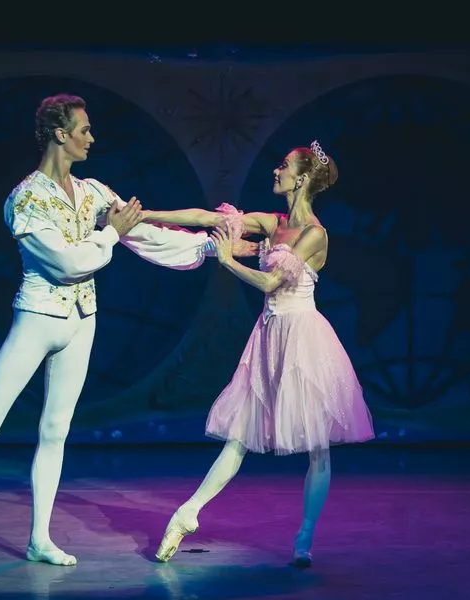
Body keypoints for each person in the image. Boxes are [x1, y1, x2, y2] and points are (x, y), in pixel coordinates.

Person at [0, 94, 259, 569]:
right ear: (60, 134)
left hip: (81, 321)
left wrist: (213, 249)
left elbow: (146, 234)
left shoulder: (92, 192)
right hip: (37, 319)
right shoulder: (26, 199)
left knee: (55, 431)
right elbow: (68, 264)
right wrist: (110, 233)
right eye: (84, 129)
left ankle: (39, 538)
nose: (92, 137)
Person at [142, 141, 375, 568]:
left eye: (283, 166)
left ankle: (304, 538)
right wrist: (145, 215)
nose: (275, 171)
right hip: (268, 336)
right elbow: (207, 218)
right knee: (239, 437)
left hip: (304, 339)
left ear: (301, 178)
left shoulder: (314, 234)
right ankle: (187, 513)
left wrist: (228, 260)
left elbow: (271, 284)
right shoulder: (273, 223)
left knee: (318, 447)